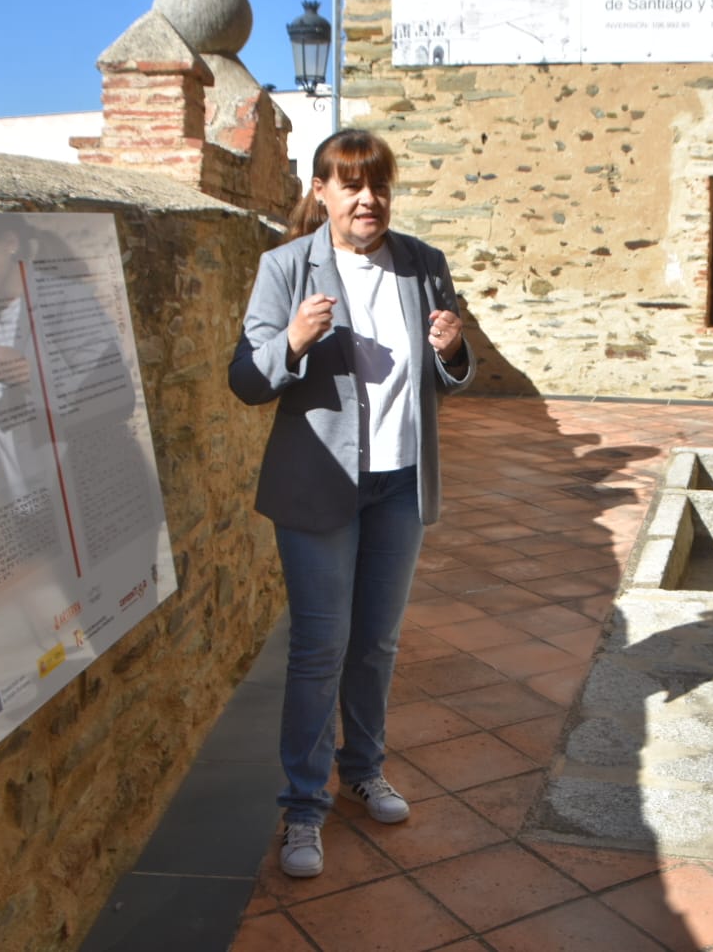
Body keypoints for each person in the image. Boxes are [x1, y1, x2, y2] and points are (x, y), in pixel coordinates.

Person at [228, 129, 475, 879]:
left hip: (399, 484)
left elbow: (450, 373)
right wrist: (293, 342)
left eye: (378, 185)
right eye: (350, 185)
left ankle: (362, 769)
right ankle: (303, 807)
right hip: (319, 489)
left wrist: (452, 349)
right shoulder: (284, 268)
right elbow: (246, 379)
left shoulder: (422, 264)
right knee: (318, 649)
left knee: (376, 643)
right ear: (322, 192)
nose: (367, 199)